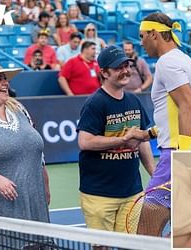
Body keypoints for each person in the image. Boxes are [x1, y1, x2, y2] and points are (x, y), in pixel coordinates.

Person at [131, 12, 191, 236]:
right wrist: (148, 134)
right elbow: (175, 114)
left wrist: (181, 158)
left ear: (155, 34)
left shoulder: (167, 63)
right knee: (181, 234)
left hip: (177, 155)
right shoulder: (183, 59)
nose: (141, 42)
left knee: (145, 233)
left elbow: (188, 107)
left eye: (142, 35)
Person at [76, 45, 155, 233]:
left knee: (132, 245)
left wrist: (154, 173)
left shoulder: (134, 101)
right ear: (104, 72)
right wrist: (123, 140)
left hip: (132, 192)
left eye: (127, 66)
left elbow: (142, 141)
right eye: (118, 68)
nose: (125, 71)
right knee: (101, 247)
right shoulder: (95, 103)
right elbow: (85, 141)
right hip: (99, 194)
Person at [0, 61, 50, 222]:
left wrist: (45, 184)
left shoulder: (19, 109)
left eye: (5, 79)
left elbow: (38, 153)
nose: (5, 83)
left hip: (34, 200)